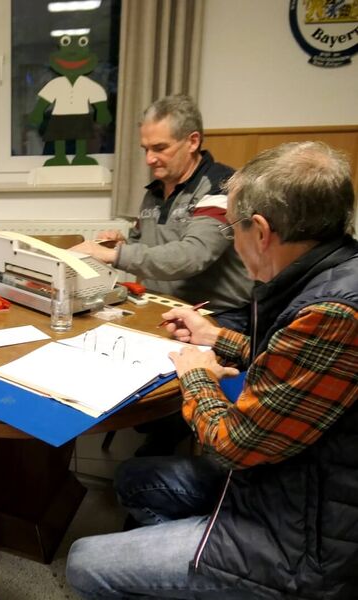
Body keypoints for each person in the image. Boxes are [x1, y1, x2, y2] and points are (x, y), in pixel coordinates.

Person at [66, 141, 358, 599]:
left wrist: (196, 376)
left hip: (300, 543)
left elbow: (235, 445)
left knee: (84, 563)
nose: (233, 240)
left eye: (233, 227)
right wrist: (216, 338)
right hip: (285, 484)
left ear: (260, 231)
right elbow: (288, 366)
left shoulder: (333, 313)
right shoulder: (330, 273)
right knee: (135, 479)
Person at [71, 94, 251, 330]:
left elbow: (192, 255)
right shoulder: (155, 190)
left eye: (159, 148)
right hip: (161, 306)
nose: (149, 159)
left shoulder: (222, 187)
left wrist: (114, 255)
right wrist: (120, 243)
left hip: (215, 315)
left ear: (193, 141)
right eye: (145, 149)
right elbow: (143, 244)